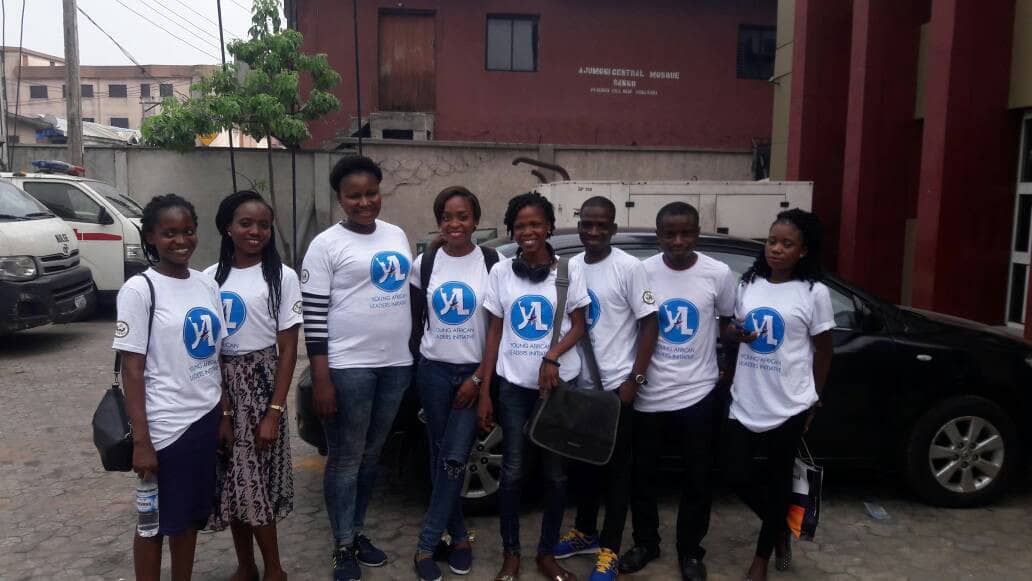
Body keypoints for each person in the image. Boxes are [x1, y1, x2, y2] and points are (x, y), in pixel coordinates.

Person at [301, 155, 414, 581]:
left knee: (371, 458)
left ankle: (358, 531)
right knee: (346, 460)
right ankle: (342, 545)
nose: (364, 202)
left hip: (395, 366)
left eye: (371, 193)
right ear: (340, 199)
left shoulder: (396, 235)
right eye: (354, 196)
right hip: (349, 368)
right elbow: (313, 315)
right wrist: (322, 378)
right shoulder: (326, 245)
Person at [113, 193, 231, 581]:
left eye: (188, 231)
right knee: (152, 522)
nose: (181, 241)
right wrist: (142, 442)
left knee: (188, 520)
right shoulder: (140, 289)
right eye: (169, 233)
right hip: (164, 428)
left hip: (204, 419)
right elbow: (132, 369)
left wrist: (224, 415)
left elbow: (216, 355)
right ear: (150, 237)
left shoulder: (206, 285)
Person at [620, 202, 736, 581]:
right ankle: (646, 543)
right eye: (670, 234)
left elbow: (727, 325)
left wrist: (730, 360)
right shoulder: (643, 272)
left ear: (698, 234)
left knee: (697, 478)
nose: (678, 241)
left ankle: (690, 551)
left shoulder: (718, 274)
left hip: (698, 392)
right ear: (658, 236)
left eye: (686, 233)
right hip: (649, 392)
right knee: (644, 476)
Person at [478, 192, 589, 581]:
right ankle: (512, 554)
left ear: (549, 228)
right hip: (513, 388)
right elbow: (494, 333)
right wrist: (484, 391)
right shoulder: (501, 273)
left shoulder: (569, 271)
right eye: (521, 225)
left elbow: (580, 324)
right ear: (513, 230)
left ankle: (546, 554)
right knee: (511, 472)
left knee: (556, 475)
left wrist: (552, 355)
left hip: (557, 389)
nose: (528, 232)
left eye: (535, 224)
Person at [722, 209, 834, 581]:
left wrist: (815, 399)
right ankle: (781, 525)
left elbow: (824, 350)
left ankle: (762, 558)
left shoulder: (814, 292)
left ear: (803, 251)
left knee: (776, 480)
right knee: (735, 475)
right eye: (772, 241)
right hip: (746, 398)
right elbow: (731, 332)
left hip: (789, 403)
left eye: (787, 244)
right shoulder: (749, 283)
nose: (777, 249)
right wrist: (735, 335)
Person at [555, 196, 658, 581]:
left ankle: (610, 549)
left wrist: (635, 379)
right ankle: (585, 531)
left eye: (602, 226)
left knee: (617, 473)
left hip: (616, 388)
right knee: (583, 466)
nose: (594, 232)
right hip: (579, 387)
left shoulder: (629, 268)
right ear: (579, 224)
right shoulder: (569, 266)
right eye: (587, 224)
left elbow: (651, 324)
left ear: (613, 228)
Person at [205, 191, 302, 581]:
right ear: (227, 227)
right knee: (233, 481)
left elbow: (289, 348)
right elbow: (208, 348)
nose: (255, 231)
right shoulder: (209, 278)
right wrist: (224, 409)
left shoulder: (281, 276)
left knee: (256, 482)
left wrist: (273, 413)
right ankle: (246, 565)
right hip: (219, 385)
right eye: (245, 223)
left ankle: (274, 568)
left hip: (263, 385)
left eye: (263, 224)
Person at [409, 186, 500, 581]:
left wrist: (480, 379)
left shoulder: (493, 264)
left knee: (452, 459)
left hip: (471, 373)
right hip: (432, 371)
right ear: (439, 221)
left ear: (476, 222)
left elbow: (497, 329)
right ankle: (460, 537)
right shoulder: (424, 263)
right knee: (439, 457)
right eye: (447, 217)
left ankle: (427, 544)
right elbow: (415, 321)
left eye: (462, 217)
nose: (455, 224)